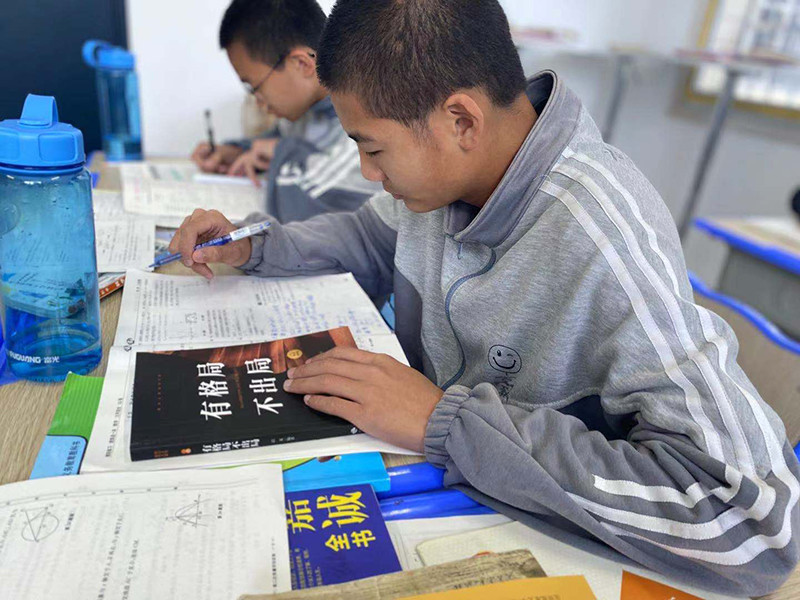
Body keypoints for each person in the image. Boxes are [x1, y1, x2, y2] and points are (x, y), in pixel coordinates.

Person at [170, 0, 800, 594]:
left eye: (372, 147)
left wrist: (444, 422)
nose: (367, 172)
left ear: (461, 120)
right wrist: (254, 245)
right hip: (455, 480)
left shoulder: (600, 236)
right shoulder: (444, 179)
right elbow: (365, 236)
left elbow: (754, 527)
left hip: (546, 535)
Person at [190, 0, 378, 222]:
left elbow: (319, 193)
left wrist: (280, 151)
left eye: (254, 87)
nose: (257, 101)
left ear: (302, 64)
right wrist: (234, 152)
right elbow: (274, 140)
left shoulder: (366, 111)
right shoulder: (303, 110)